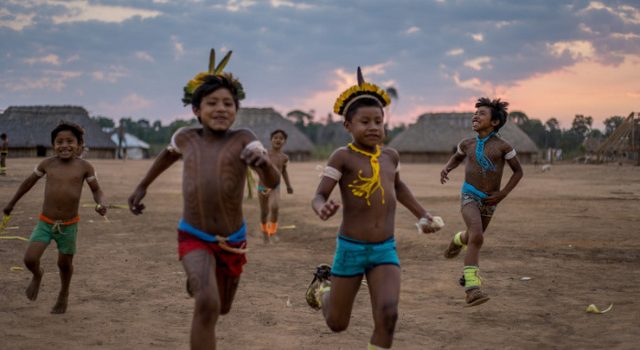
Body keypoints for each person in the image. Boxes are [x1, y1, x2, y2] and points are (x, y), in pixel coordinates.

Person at [127, 49, 280, 350]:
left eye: (228, 103)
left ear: (236, 109)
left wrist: (262, 163)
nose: (221, 108)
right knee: (208, 304)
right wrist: (142, 186)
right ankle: (200, 278)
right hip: (193, 235)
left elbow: (272, 181)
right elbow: (166, 156)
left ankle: (200, 281)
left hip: (232, 240)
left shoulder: (244, 139)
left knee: (222, 307)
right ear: (196, 109)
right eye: (212, 103)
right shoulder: (186, 138)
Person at [305, 67, 442, 350]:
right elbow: (319, 195)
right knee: (337, 323)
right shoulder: (343, 157)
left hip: (385, 249)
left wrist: (422, 214)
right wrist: (321, 208)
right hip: (351, 249)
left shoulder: (391, 156)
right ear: (348, 126)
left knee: (388, 315)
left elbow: (399, 187)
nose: (373, 127)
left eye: (378, 121)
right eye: (364, 121)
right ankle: (324, 290)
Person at [2, 121, 107, 314]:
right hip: (46, 222)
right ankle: (38, 274)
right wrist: (12, 203)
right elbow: (28, 183)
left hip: (69, 225)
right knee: (30, 259)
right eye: (59, 141)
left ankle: (63, 293)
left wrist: (101, 203)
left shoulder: (85, 167)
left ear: (79, 145)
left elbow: (97, 190)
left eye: (70, 141)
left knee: (64, 264)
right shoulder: (47, 164)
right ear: (53, 145)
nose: (64, 145)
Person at [440, 97, 523, 307]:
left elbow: (518, 172)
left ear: (494, 122)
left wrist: (502, 194)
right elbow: (457, 157)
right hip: (469, 195)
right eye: (475, 113)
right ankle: (472, 288)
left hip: (491, 200)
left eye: (482, 114)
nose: (475, 116)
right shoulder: (467, 143)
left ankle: (458, 240)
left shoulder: (503, 147)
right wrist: (447, 168)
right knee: (477, 236)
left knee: (472, 237)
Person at [257, 129, 293, 243]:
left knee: (275, 207)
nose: (278, 140)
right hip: (262, 187)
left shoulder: (284, 157)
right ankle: (264, 233)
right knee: (264, 212)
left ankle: (272, 232)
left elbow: (284, 171)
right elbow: (258, 169)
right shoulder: (264, 154)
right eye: (275, 138)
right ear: (271, 140)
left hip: (275, 187)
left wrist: (288, 185)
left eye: (281, 138)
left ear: (284, 141)